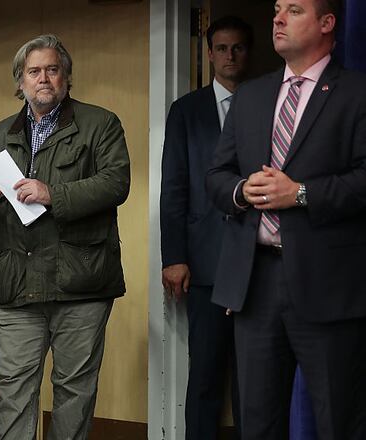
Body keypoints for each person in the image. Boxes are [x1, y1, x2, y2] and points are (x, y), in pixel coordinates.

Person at [0, 34, 130, 439]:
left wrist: (54, 193)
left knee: (74, 391)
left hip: (81, 283)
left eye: (53, 70)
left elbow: (116, 183)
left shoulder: (100, 123)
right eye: (34, 71)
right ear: (20, 82)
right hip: (16, 285)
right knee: (15, 389)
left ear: (67, 77)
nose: (44, 78)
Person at [206, 0, 366, 438]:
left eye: (294, 10)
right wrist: (242, 191)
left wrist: (300, 194)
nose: (277, 19)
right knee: (257, 422)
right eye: (277, 9)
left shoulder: (356, 92)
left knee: (339, 420)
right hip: (254, 283)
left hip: (328, 283)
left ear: (328, 23)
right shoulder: (252, 95)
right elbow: (217, 175)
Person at [160, 15, 252, 439]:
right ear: (209, 53)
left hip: (258, 260)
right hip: (204, 262)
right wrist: (174, 257)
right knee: (206, 374)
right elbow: (174, 189)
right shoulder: (186, 110)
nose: (229, 56)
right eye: (221, 48)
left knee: (257, 379)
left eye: (237, 48)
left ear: (246, 53)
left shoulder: (265, 102)